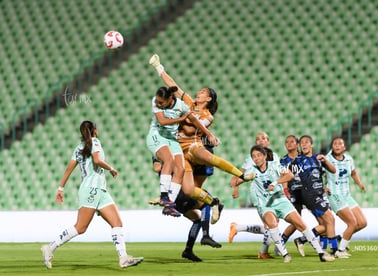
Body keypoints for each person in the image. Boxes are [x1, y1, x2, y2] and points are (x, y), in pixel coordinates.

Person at [149, 54, 254, 219]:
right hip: (179, 149)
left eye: (203, 92)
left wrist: (186, 115)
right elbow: (173, 86)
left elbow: (192, 129)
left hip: (192, 145)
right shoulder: (188, 104)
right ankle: (213, 202)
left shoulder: (208, 115)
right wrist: (158, 67)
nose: (199, 93)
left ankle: (241, 175)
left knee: (208, 157)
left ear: (208, 98)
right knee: (189, 190)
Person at [40, 121, 143, 269]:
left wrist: (60, 188)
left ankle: (123, 257)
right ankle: (50, 248)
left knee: (117, 223)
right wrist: (111, 168)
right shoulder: (95, 141)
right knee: (80, 227)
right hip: (91, 189)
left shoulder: (78, 148)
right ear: (94, 131)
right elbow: (97, 160)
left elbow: (68, 170)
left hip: (100, 190)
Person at [235, 145, 335, 262]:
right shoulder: (252, 170)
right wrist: (245, 177)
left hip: (281, 201)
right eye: (253, 156)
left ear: (265, 156)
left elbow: (290, 175)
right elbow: (236, 181)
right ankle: (285, 255)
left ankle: (321, 253)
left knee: (301, 225)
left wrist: (276, 182)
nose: (256, 158)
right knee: (272, 224)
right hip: (265, 204)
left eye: (258, 155)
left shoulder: (275, 166)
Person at [146, 85, 219, 217]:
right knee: (168, 162)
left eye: (162, 102)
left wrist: (208, 134)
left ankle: (169, 204)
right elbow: (162, 121)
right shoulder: (157, 101)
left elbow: (193, 125)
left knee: (181, 169)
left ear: (170, 99)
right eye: (157, 101)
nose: (158, 104)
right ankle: (164, 196)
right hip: (159, 137)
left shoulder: (186, 107)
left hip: (180, 143)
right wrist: (159, 68)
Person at [290, 135, 339, 256]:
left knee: (325, 225)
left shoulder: (318, 159)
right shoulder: (298, 161)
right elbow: (289, 176)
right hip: (310, 195)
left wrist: (325, 160)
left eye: (307, 142)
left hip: (320, 194)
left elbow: (333, 170)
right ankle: (335, 251)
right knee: (331, 219)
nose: (304, 145)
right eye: (302, 143)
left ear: (311, 145)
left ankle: (302, 240)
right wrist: (288, 191)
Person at [325, 137, 368, 258]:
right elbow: (317, 174)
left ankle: (342, 238)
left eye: (340, 144)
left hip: (347, 195)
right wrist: (323, 187)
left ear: (344, 147)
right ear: (332, 147)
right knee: (352, 223)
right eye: (335, 144)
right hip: (334, 195)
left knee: (362, 223)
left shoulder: (349, 159)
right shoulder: (327, 159)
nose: (337, 146)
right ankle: (340, 251)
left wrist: (360, 184)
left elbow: (353, 173)